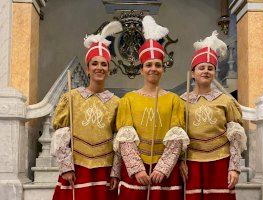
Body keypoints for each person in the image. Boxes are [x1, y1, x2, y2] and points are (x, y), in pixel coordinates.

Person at [113, 15, 189, 200]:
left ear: (163, 68)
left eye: (157, 65)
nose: (153, 68)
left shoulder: (174, 100)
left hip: (164, 172)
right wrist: (137, 169)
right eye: (148, 65)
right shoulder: (128, 100)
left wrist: (163, 168)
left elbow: (176, 139)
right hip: (137, 172)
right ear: (141, 69)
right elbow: (125, 139)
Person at [50, 21, 122, 200]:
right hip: (76, 168)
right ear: (88, 68)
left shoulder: (116, 102)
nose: (99, 67)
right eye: (95, 63)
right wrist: (66, 167)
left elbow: (119, 140)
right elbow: (60, 132)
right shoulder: (71, 97)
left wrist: (115, 172)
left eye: (104, 64)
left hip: (104, 169)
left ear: (108, 69)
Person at [180, 31, 247, 200]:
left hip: (220, 161)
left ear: (215, 73)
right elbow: (178, 136)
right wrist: (180, 161)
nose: (206, 71)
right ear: (193, 72)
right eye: (201, 68)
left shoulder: (226, 101)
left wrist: (234, 167)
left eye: (210, 68)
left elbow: (236, 137)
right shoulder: (181, 101)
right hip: (192, 162)